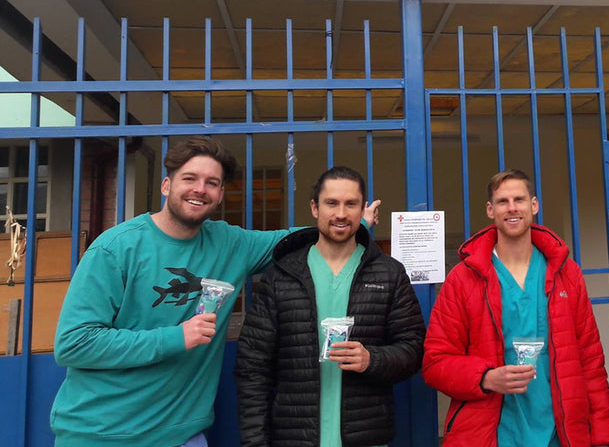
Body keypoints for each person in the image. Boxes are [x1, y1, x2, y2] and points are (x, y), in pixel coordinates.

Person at [49, 136, 380, 447]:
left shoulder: (229, 243)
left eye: (212, 183)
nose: (200, 190)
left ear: (221, 194)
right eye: (189, 179)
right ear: (167, 185)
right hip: (101, 434)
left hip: (184, 434)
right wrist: (175, 338)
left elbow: (294, 239)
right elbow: (74, 343)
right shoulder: (117, 248)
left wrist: (354, 222)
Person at [234, 165, 424, 447]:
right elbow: (253, 367)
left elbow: (413, 348)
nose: (340, 213)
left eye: (351, 204)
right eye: (331, 203)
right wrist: (255, 441)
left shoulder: (389, 273)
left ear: (362, 211)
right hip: (294, 438)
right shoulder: (281, 276)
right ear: (315, 208)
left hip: (365, 437)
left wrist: (372, 359)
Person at [422, 169, 609, 447]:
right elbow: (435, 363)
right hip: (495, 433)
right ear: (490, 210)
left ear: (534, 205)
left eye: (519, 199)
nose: (512, 208)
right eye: (502, 201)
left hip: (560, 432)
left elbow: (590, 360)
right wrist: (486, 377)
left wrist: (601, 435)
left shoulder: (566, 273)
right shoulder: (463, 279)